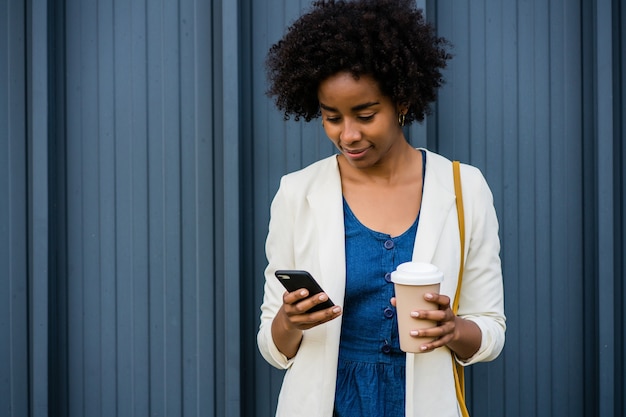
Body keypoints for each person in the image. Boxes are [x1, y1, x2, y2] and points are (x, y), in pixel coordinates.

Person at [256, 1, 506, 416]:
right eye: (331, 117)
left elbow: (491, 331)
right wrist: (289, 322)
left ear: (402, 101)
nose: (348, 135)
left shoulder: (464, 189)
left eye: (365, 114)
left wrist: (453, 329)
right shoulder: (297, 193)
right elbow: (272, 345)